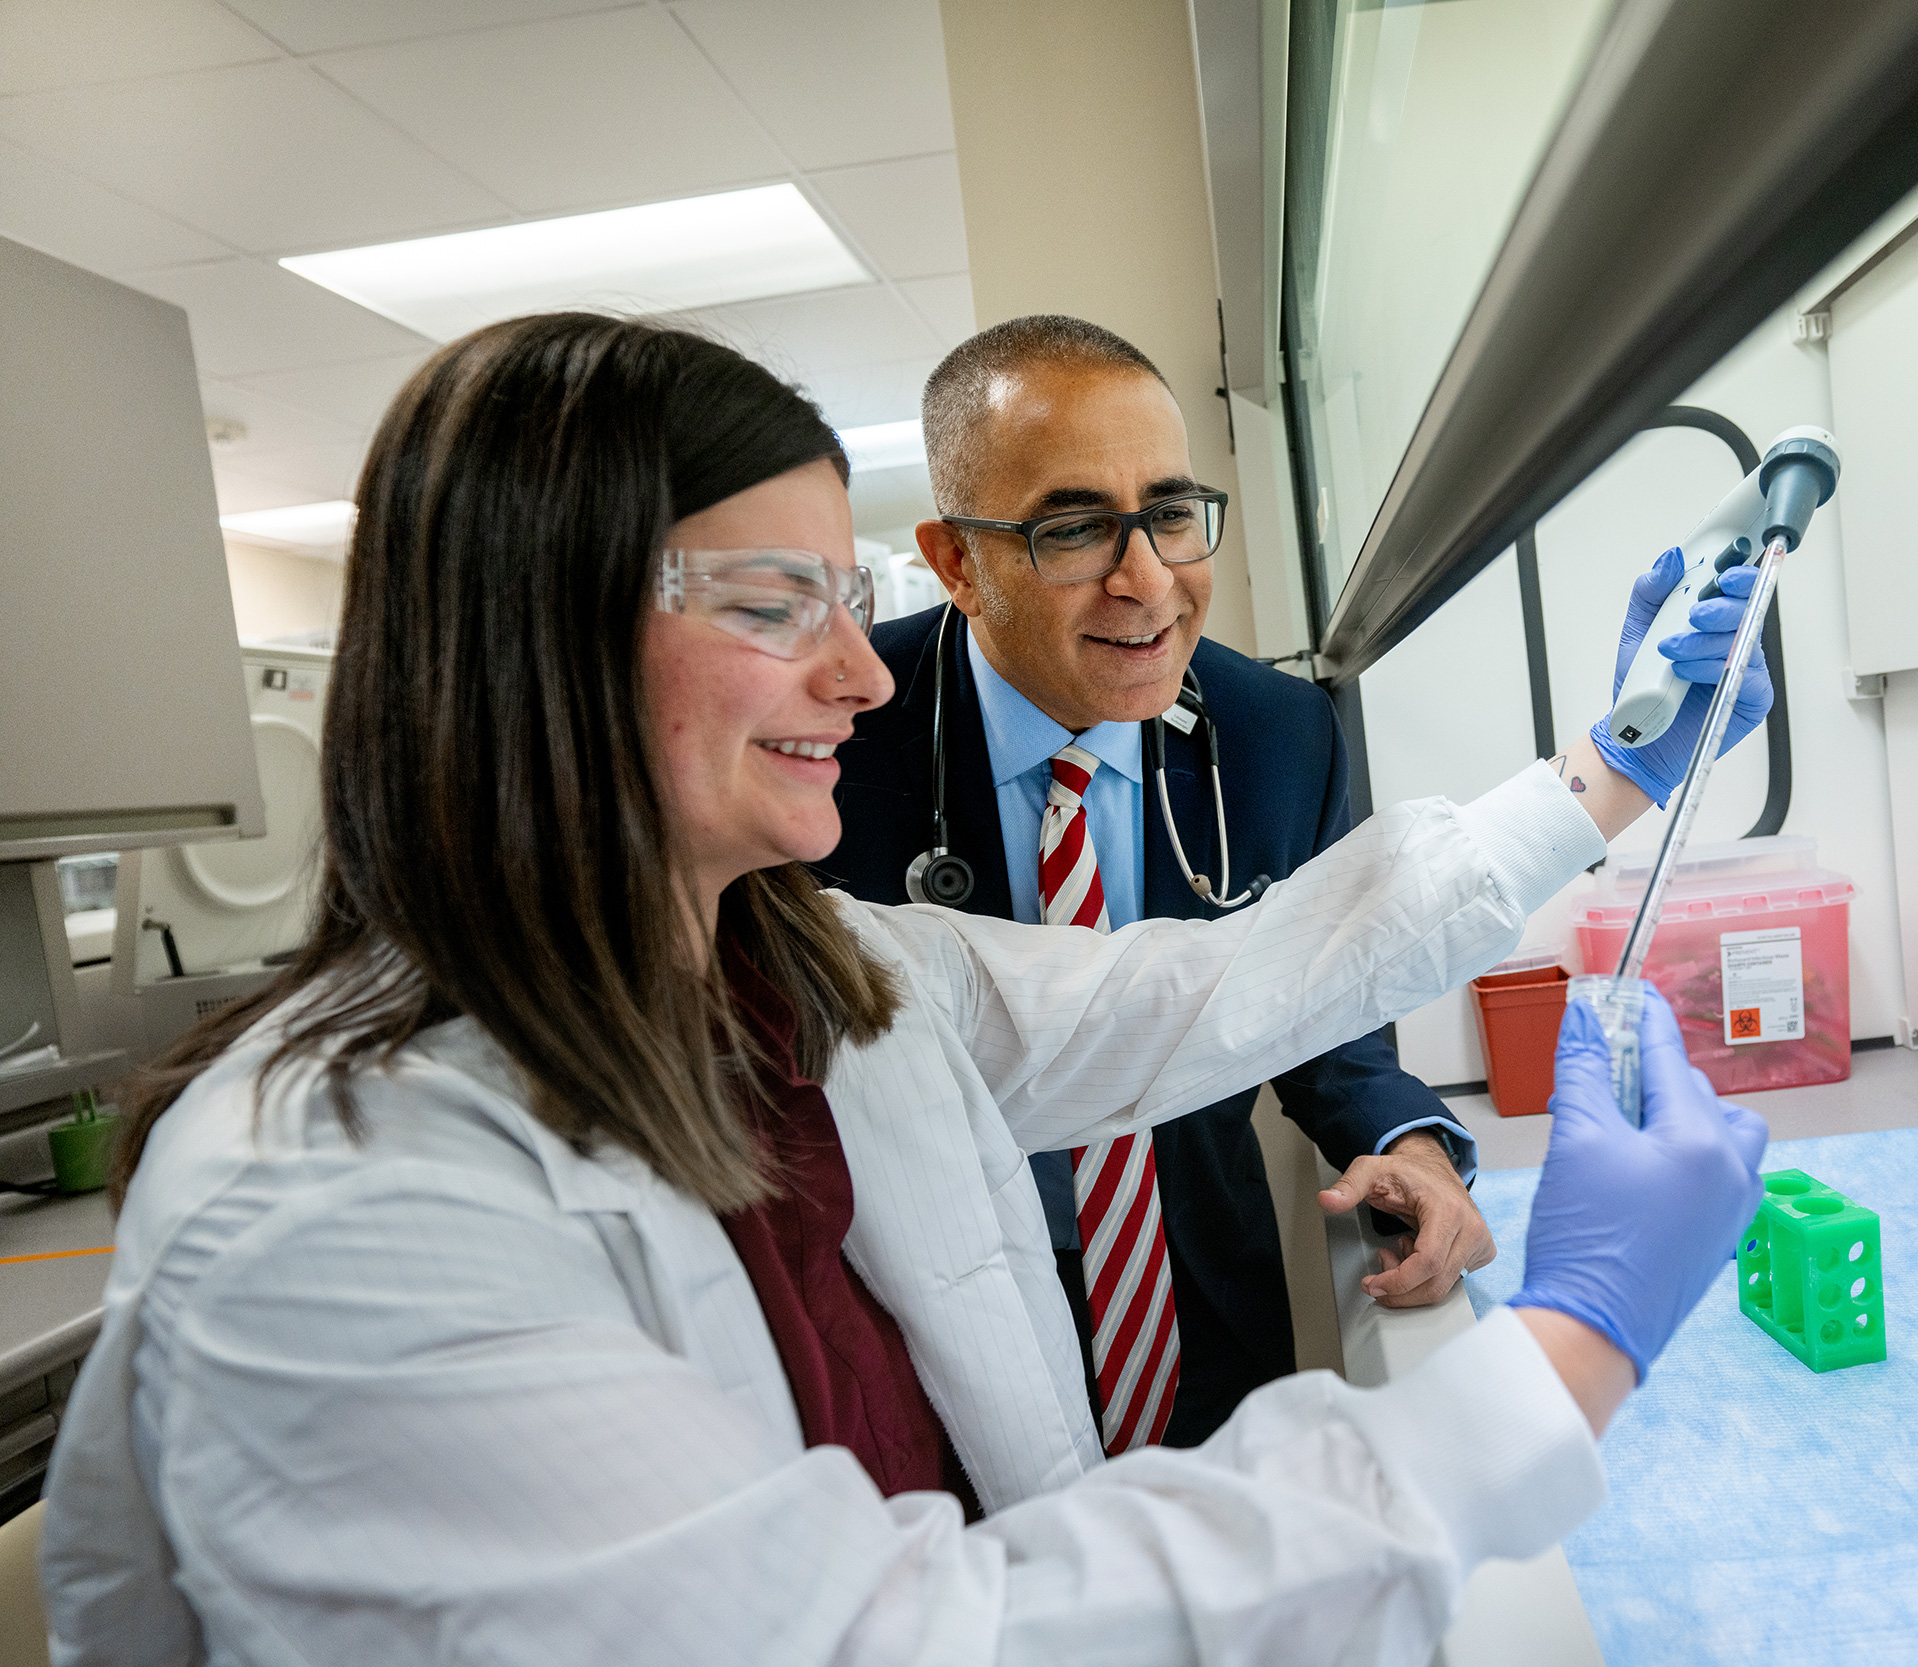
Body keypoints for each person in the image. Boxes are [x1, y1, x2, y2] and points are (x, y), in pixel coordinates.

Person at [42, 314, 1772, 1664]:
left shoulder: (815, 974)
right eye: (775, 602)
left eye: (845, 598)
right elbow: (887, 1638)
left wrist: (1606, 777)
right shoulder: (335, 1204)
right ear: (541, 633)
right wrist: (1558, 1363)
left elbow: (1220, 985)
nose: (862, 672)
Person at [822, 315, 1492, 1453]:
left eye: (1171, 514)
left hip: (1198, 1286)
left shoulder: (1278, 733)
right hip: (919, 1309)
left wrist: (1413, 1146)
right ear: (954, 561)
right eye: (1074, 527)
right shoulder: (840, 733)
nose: (1149, 581)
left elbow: (1322, 1009)